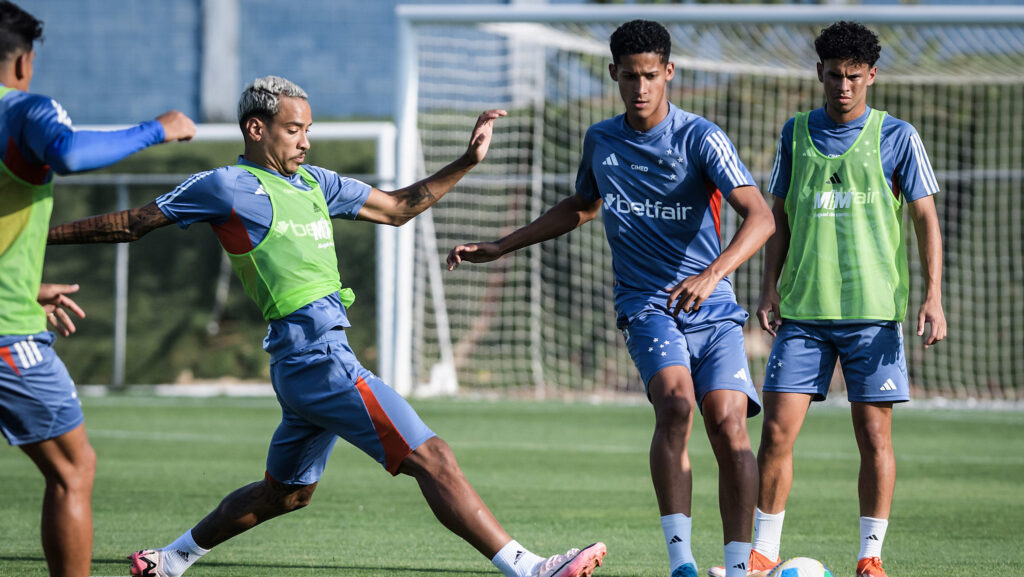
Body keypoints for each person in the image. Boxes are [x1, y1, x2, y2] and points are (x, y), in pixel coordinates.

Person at [48, 75, 607, 577]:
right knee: (433, 457)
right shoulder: (224, 186)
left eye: (308, 130)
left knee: (285, 494)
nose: (305, 141)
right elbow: (131, 224)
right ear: (256, 128)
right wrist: (36, 238)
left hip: (304, 365)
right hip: (317, 358)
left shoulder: (315, 181)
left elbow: (398, 207)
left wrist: (467, 161)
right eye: (294, 130)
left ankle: (170, 560)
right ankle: (531, 569)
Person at [447, 20, 774, 577]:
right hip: (646, 303)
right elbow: (581, 205)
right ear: (614, 75)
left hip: (713, 306)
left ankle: (740, 568)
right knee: (675, 405)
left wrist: (713, 273)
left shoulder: (702, 137)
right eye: (630, 76)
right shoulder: (601, 139)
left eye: (651, 75)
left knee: (728, 423)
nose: (641, 87)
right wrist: (504, 245)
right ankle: (682, 564)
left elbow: (761, 217)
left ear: (669, 73)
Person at [728, 21, 947, 577]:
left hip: (873, 314)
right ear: (819, 73)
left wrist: (933, 296)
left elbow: (925, 217)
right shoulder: (794, 132)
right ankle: (763, 553)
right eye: (833, 76)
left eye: (853, 77)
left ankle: (870, 557)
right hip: (803, 311)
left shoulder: (899, 136)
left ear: (871, 76)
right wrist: (768, 285)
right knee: (775, 431)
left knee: (874, 436)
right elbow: (775, 215)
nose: (843, 86)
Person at [0, 2, 196, 576]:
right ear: (24, 63)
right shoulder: (24, 109)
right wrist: (157, 128)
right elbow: (71, 153)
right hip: (8, 339)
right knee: (73, 470)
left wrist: (26, 286)